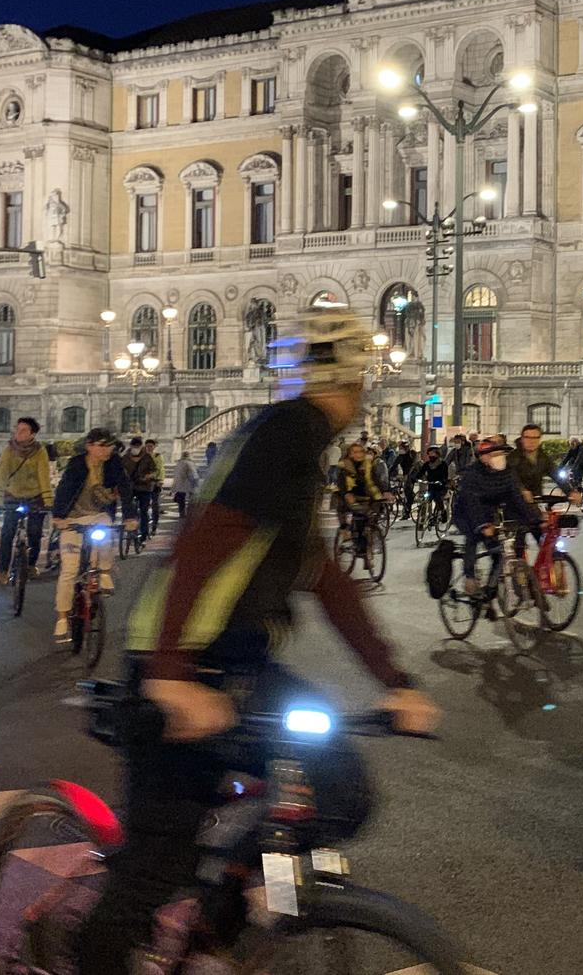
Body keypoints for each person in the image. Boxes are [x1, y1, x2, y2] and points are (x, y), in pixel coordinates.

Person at [76, 310, 437, 972]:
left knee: (338, 787)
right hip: (180, 661)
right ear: (354, 379)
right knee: (156, 865)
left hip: (238, 664)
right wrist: (169, 674)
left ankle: (215, 926)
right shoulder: (285, 433)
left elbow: (325, 578)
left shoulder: (300, 448)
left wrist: (395, 680)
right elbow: (204, 539)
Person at [51, 429, 127, 641]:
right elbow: (64, 489)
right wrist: (58, 517)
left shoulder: (113, 463)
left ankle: (103, 572)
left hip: (97, 517)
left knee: (107, 530)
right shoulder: (77, 464)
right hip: (72, 520)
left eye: (109, 445)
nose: (107, 450)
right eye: (102, 446)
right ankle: (62, 618)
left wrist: (131, 518)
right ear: (90, 446)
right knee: (70, 570)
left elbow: (125, 488)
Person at [453, 436, 542, 597]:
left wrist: (534, 519)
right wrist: (482, 525)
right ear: (484, 458)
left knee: (499, 552)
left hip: (491, 513)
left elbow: (516, 497)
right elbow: (471, 503)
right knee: (473, 537)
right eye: (495, 454)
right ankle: (470, 577)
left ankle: (490, 591)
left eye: (501, 454)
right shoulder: (473, 474)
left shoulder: (507, 472)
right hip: (466, 513)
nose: (500, 457)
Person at [0, 417, 53, 585]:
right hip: (13, 496)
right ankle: (2, 570)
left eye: (23, 430)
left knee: (35, 533)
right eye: (17, 429)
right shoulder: (9, 450)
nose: (18, 433)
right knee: (7, 533)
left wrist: (47, 501)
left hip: (35, 497)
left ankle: (31, 565)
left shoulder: (40, 451)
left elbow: (43, 476)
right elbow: (2, 475)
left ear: (32, 434)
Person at [332, 442, 384, 559]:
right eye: (354, 452)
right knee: (346, 514)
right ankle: (346, 536)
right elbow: (340, 483)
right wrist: (346, 494)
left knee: (369, 517)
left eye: (360, 452)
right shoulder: (343, 466)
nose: (358, 454)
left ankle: (366, 545)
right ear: (349, 454)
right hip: (345, 497)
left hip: (364, 497)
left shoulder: (368, 465)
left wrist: (385, 492)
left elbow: (375, 480)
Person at [170, 445, 199, 521]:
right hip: (188, 484)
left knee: (181, 501)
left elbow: (175, 475)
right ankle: (190, 514)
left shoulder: (179, 463)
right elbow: (193, 475)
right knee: (191, 500)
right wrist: (196, 484)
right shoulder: (189, 463)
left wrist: (173, 487)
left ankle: (182, 513)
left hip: (179, 485)